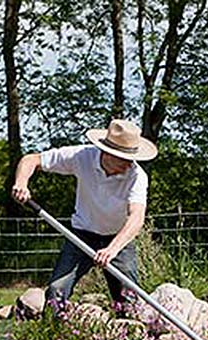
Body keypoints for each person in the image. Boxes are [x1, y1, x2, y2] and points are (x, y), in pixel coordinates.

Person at [10, 118, 158, 312]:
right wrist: (21, 183)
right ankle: (55, 335)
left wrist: (112, 250)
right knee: (57, 290)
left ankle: (131, 337)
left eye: (132, 158)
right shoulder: (82, 156)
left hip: (118, 239)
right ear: (107, 153)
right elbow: (31, 160)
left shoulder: (137, 177)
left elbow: (136, 217)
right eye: (124, 158)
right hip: (82, 235)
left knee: (128, 298)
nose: (130, 164)